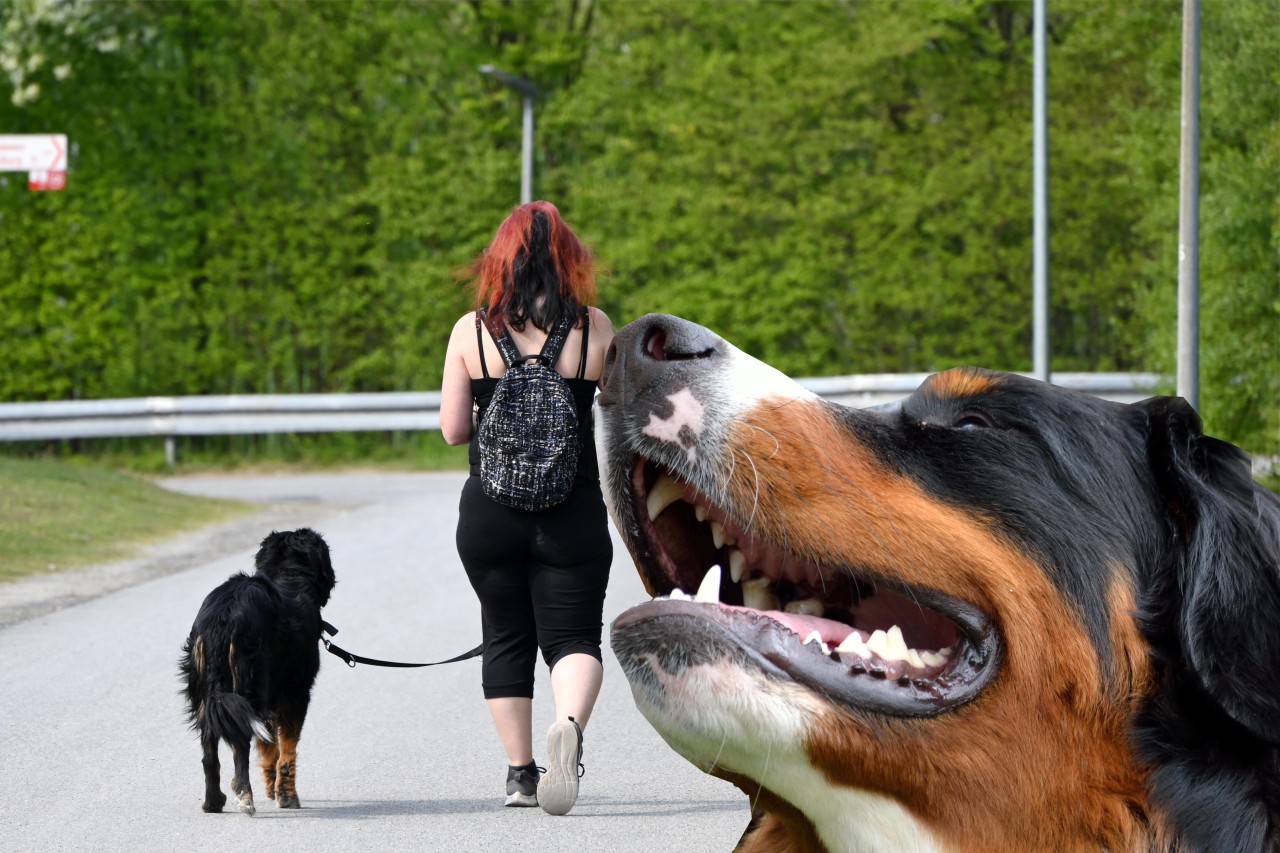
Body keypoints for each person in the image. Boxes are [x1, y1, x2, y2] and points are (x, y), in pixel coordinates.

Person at [440, 201, 616, 815]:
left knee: (505, 634)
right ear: (570, 258)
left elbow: (454, 430)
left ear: (500, 259)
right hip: (572, 510)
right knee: (573, 637)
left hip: (490, 512)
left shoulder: (471, 331)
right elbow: (616, 420)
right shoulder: (596, 328)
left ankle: (521, 775)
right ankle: (568, 725)